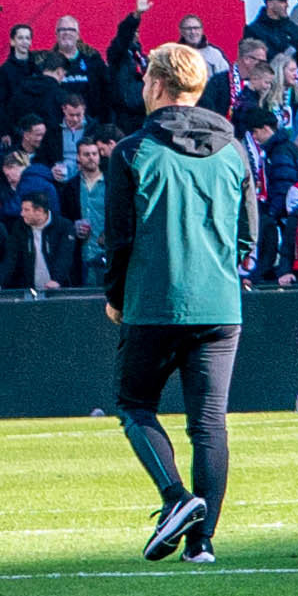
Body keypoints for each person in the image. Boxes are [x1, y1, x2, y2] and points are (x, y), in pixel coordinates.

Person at [102, 38, 250, 559]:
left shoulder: (132, 151)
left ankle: (176, 498)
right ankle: (202, 543)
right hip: (220, 306)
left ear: (159, 84)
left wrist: (116, 297)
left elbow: (119, 238)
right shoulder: (234, 150)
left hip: (155, 302)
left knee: (134, 404)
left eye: (145, 80)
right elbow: (250, 237)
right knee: (209, 423)